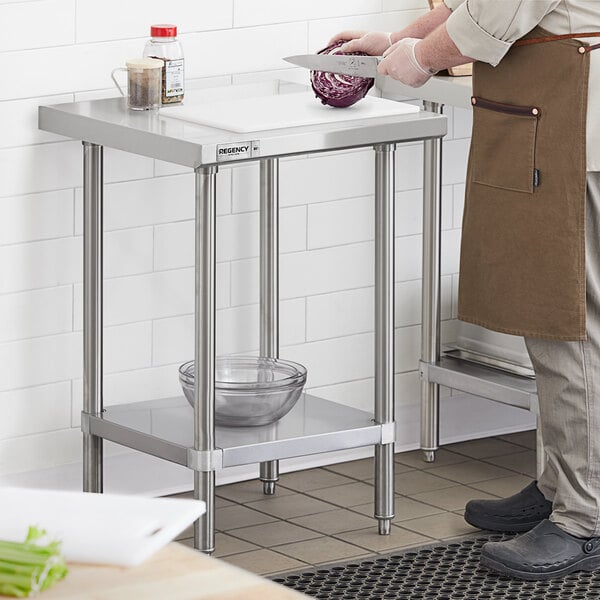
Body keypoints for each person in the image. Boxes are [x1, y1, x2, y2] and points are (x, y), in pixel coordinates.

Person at [330, 0, 600, 582]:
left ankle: (586, 518)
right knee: (548, 313)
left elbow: (501, 8)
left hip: (575, 125)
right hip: (553, 116)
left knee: (567, 322)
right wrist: (398, 39)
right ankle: (563, 485)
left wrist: (421, 56)